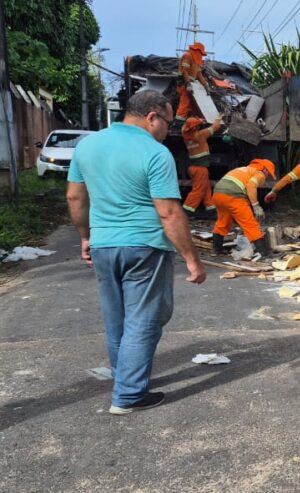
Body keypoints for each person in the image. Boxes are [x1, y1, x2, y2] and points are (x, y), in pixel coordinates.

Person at [66, 90, 207, 415]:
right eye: (168, 123)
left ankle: (124, 379)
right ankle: (129, 395)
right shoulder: (155, 154)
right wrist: (191, 259)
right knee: (144, 320)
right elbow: (169, 212)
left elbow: (75, 198)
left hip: (103, 245)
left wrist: (85, 237)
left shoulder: (87, 145)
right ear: (152, 116)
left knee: (117, 320)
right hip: (144, 246)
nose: (168, 131)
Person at [212, 158, 276, 257]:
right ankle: (265, 253)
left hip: (218, 193)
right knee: (250, 224)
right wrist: (256, 206)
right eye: (268, 175)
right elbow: (251, 185)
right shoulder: (259, 173)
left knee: (223, 222)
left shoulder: (243, 169)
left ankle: (216, 250)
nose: (266, 178)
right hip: (233, 195)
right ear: (265, 170)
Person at [181, 116, 222, 215]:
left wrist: (199, 121)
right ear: (195, 128)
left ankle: (211, 210)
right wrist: (218, 118)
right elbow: (215, 127)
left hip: (193, 168)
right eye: (197, 126)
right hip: (200, 168)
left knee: (206, 188)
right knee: (198, 190)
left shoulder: (185, 134)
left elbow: (185, 127)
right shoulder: (201, 135)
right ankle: (186, 211)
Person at [176, 41, 209, 122]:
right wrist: (187, 84)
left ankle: (192, 123)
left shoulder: (196, 60)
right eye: (200, 53)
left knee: (192, 105)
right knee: (185, 103)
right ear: (196, 50)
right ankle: (178, 124)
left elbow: (199, 74)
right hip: (183, 83)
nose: (201, 55)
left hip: (191, 84)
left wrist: (205, 85)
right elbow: (184, 71)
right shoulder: (188, 56)